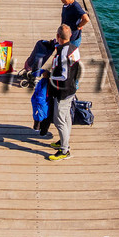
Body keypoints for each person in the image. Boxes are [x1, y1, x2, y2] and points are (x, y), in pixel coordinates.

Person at [44, 25, 81, 161]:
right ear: (70, 36)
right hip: (71, 89)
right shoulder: (74, 49)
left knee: (59, 120)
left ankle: (65, 150)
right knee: (66, 117)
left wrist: (50, 76)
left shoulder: (63, 53)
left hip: (63, 91)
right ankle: (63, 141)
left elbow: (64, 76)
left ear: (58, 36)